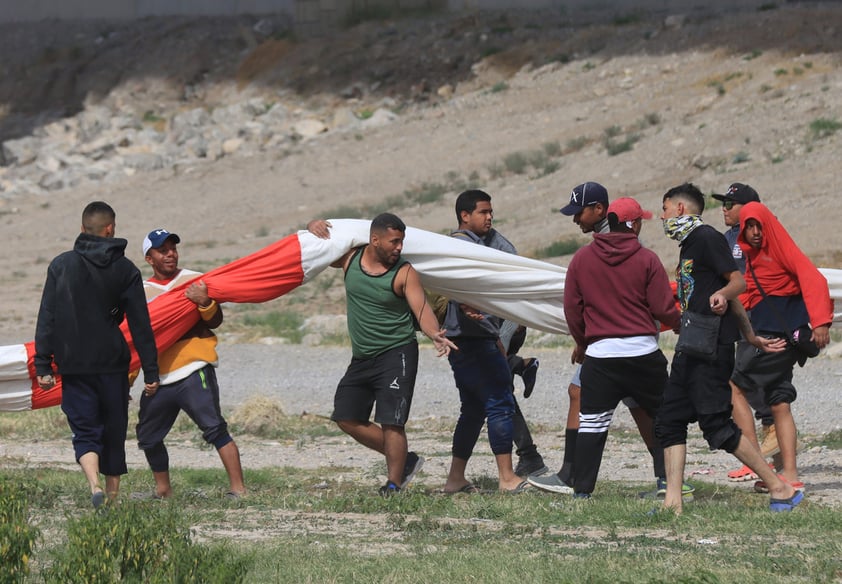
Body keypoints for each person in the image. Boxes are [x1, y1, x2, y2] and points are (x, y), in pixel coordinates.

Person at [654, 183, 801, 514]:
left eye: (664, 209)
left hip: (711, 348)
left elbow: (737, 283)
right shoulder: (689, 244)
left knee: (717, 424)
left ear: (679, 209)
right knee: (670, 419)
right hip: (690, 345)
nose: (661, 217)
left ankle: (780, 487)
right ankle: (672, 504)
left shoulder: (706, 238)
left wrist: (724, 298)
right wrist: (749, 335)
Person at [530, 182, 679, 497]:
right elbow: (662, 306)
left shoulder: (582, 260)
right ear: (634, 224)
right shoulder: (647, 259)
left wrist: (584, 342)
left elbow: (573, 309)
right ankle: (669, 484)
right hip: (644, 354)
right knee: (662, 418)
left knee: (593, 424)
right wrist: (679, 324)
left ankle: (582, 491)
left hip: (601, 356)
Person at [307, 213, 456, 495]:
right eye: (394, 242)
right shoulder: (350, 259)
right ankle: (406, 460)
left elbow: (421, 309)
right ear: (374, 240)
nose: (399, 247)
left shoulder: (404, 272)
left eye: (401, 241)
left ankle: (393, 483)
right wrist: (312, 225)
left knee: (392, 421)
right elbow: (317, 249)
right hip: (362, 356)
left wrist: (434, 333)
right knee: (345, 416)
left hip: (397, 353)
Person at [34, 201, 160, 509]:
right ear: (111, 229)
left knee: (85, 430)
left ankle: (94, 486)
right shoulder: (126, 269)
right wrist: (151, 372)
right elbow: (141, 325)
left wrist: (43, 364)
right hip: (112, 365)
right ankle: (113, 500)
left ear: (82, 229)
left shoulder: (61, 265)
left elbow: (47, 316)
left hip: (74, 364)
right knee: (113, 430)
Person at [134, 228, 246, 499]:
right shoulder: (141, 292)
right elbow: (134, 341)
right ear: (150, 258)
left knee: (215, 428)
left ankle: (239, 490)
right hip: (159, 377)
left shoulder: (194, 280)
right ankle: (163, 491)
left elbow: (215, 320)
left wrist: (205, 301)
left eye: (173, 248)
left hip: (195, 368)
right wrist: (126, 381)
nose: (170, 254)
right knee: (147, 435)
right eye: (163, 250)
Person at [730, 201, 833, 493]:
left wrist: (821, 321)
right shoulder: (754, 257)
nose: (754, 233)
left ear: (768, 226)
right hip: (776, 337)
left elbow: (813, 278)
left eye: (758, 226)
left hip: (774, 338)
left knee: (732, 386)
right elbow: (750, 295)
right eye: (748, 227)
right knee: (779, 402)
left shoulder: (781, 248)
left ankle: (754, 461)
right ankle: (790, 473)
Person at [447, 189, 547, 479]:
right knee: (494, 399)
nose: (490, 217)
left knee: (485, 402)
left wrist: (505, 334)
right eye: (483, 212)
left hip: (495, 329)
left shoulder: (496, 246)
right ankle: (514, 469)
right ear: (465, 216)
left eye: (491, 212)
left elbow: (514, 293)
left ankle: (461, 477)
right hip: (476, 335)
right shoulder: (460, 246)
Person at [712, 183, 778, 482]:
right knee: (741, 381)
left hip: (761, 317)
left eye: (730, 203)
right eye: (722, 203)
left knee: (741, 381)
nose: (724, 208)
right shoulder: (724, 238)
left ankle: (759, 453)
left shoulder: (760, 233)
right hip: (737, 319)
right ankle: (766, 453)